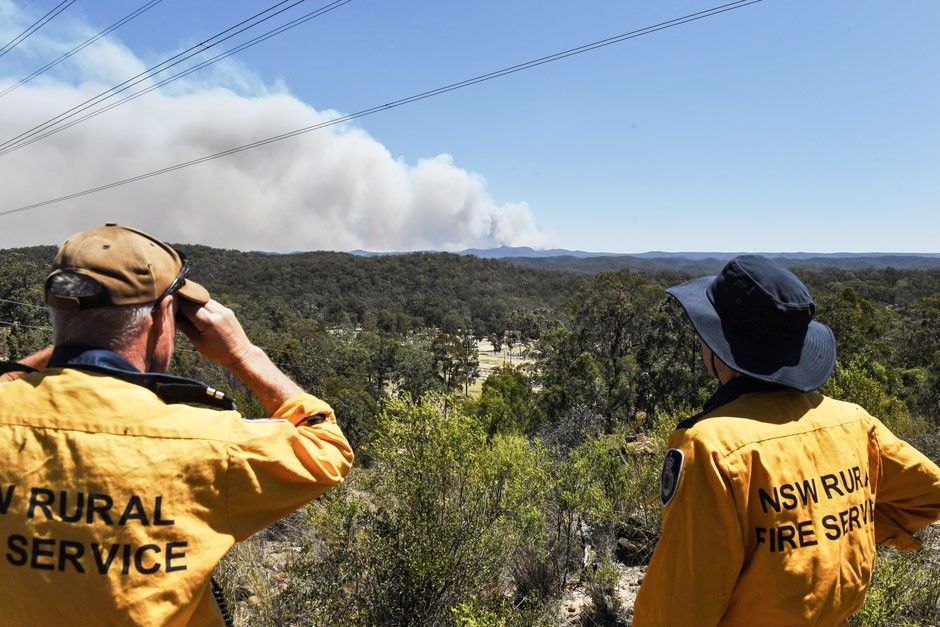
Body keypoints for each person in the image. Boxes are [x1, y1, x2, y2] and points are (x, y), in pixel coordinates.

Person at [0, 223, 354, 625]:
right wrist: (243, 353)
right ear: (166, 315)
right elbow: (327, 449)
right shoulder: (210, 442)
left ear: (55, 308)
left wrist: (74, 345)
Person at [633, 255, 940, 626]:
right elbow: (929, 493)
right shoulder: (854, 422)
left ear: (720, 350)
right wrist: (837, 527)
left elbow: (679, 607)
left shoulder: (708, 447)